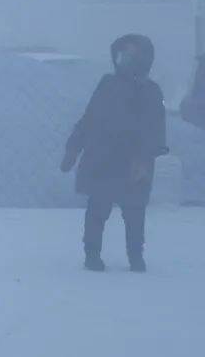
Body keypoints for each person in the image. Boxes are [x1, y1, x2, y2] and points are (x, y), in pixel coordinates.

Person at [61, 34, 167, 272]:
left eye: (131, 56)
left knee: (134, 214)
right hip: (103, 159)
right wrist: (73, 147)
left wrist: (146, 158)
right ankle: (92, 254)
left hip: (135, 163)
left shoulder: (151, 91)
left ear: (144, 59)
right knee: (97, 210)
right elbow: (90, 118)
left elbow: (157, 129)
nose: (125, 61)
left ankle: (136, 257)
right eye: (123, 55)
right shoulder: (108, 84)